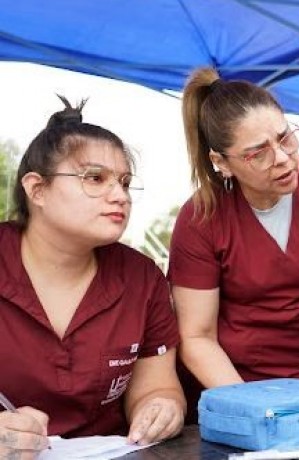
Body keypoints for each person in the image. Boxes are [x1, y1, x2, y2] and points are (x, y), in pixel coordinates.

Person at [168, 67, 299, 409]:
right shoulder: (200, 218)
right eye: (257, 153)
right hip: (232, 382)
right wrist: (250, 405)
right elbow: (197, 336)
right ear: (222, 162)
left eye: (285, 137)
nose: (282, 159)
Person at [0, 97, 185, 458]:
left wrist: (162, 408)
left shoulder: (142, 278)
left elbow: (157, 387)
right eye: (95, 179)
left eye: (125, 183)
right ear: (37, 189)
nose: (120, 196)